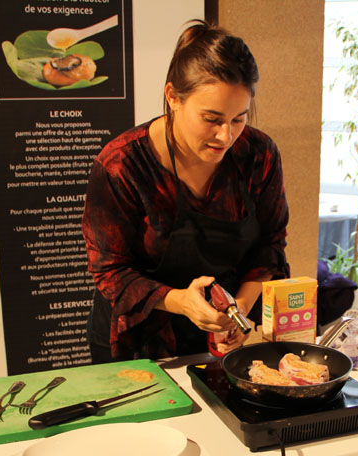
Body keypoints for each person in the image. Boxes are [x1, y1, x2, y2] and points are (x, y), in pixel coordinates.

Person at [82, 20, 290, 363]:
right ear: (173, 97)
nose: (225, 136)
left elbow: (270, 245)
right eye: (211, 118)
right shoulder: (122, 165)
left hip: (220, 334)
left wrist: (236, 311)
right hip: (139, 340)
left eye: (239, 118)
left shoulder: (258, 154)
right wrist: (182, 301)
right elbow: (111, 272)